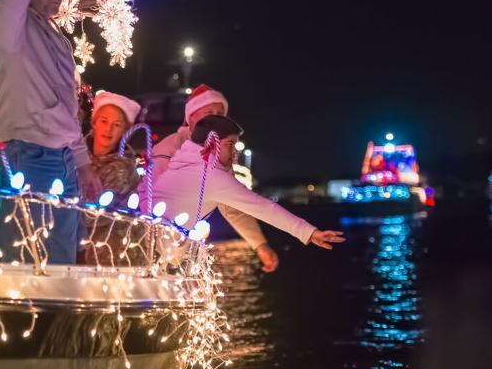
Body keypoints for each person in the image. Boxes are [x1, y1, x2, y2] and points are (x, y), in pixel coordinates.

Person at [0, 0, 101, 264]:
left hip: (63, 159)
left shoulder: (59, 39)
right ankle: (19, 320)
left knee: (62, 261)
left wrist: (82, 163)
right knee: (25, 260)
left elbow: (67, 107)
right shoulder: (6, 29)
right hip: (27, 156)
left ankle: (55, 320)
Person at [153, 115, 345, 252]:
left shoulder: (182, 164)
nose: (235, 152)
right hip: (157, 247)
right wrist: (310, 233)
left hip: (148, 239)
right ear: (212, 144)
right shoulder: (211, 175)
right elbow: (262, 207)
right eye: (230, 144)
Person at [154, 84, 282, 272]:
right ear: (190, 118)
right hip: (154, 251)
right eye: (208, 112)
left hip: (182, 256)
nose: (215, 118)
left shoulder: (217, 158)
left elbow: (233, 205)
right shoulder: (168, 150)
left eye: (220, 113)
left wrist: (259, 244)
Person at [79, 90, 145, 265]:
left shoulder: (123, 169)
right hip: (81, 251)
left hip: (111, 257)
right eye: (103, 121)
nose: (108, 130)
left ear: (125, 131)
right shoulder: (77, 154)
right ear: (94, 122)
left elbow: (91, 216)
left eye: (116, 125)